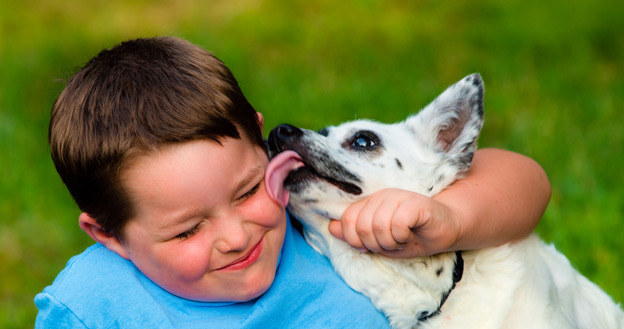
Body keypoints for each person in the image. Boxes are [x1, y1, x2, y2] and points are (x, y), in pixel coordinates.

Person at [35, 36, 550, 328]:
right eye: (187, 230)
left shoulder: (309, 224)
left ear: (262, 145)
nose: (238, 235)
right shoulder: (90, 307)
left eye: (246, 191)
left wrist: (453, 220)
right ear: (108, 235)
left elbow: (523, 180)